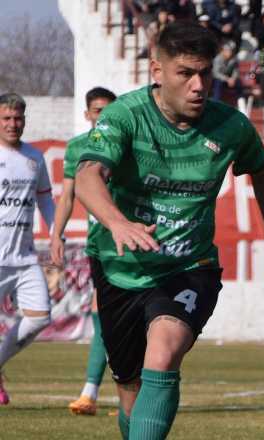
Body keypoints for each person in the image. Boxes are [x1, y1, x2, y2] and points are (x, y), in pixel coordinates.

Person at [73, 22, 264, 438]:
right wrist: (117, 222)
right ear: (157, 72)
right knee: (130, 388)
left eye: (206, 73)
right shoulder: (125, 115)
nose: (199, 86)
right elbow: (87, 174)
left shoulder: (230, 126)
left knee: (163, 352)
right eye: (185, 73)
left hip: (188, 266)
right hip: (121, 268)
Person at [50, 87, 117, 416]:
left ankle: (111, 388)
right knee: (103, 310)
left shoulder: (128, 144)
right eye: (97, 110)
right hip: (99, 243)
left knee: (122, 315)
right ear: (87, 114)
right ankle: (90, 392)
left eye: (108, 110)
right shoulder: (77, 148)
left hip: (131, 240)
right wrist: (56, 235)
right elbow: (67, 197)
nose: (102, 115)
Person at [0, 93, 57, 406]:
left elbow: (45, 198)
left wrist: (55, 233)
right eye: (6, 118)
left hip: (23, 258)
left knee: (40, 317)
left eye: (18, 118)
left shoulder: (34, 157)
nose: (13, 124)